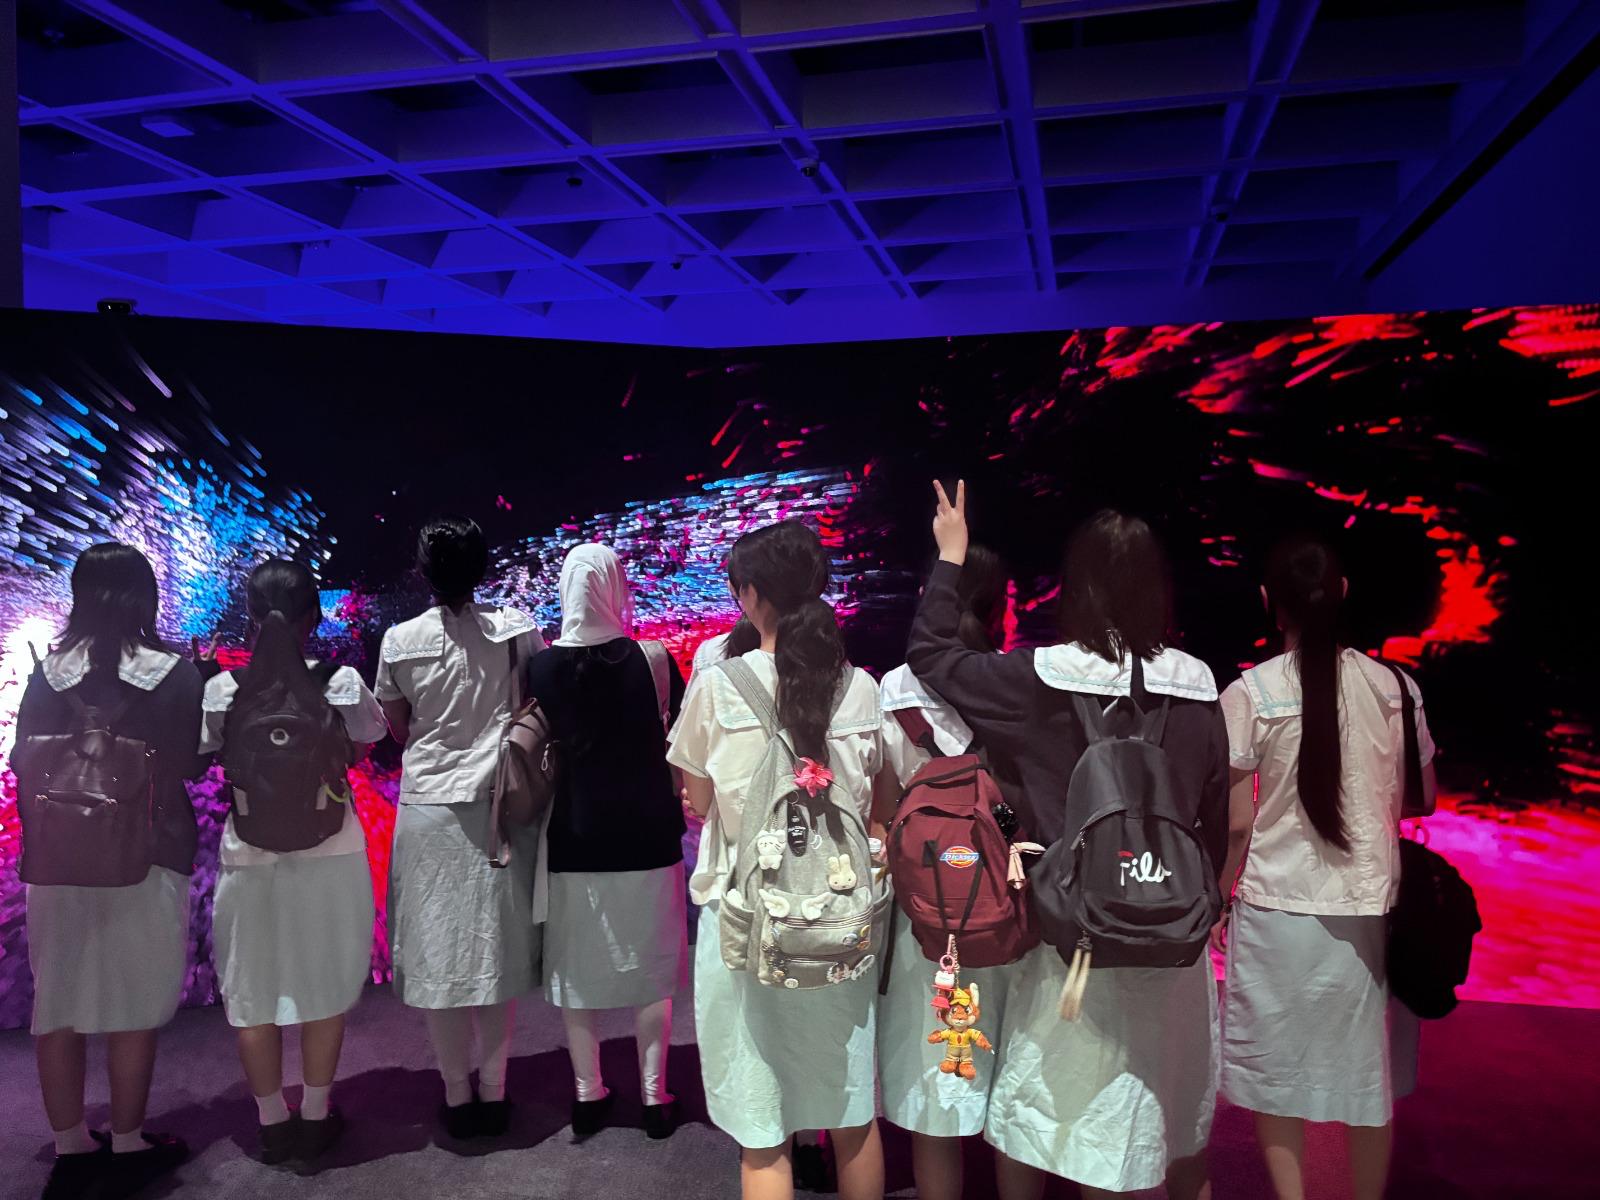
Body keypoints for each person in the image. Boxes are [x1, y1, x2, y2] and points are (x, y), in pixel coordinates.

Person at [906, 485, 1228, 1200]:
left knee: (1046, 1122)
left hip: (1069, 942)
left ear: (1074, 585)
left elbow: (932, 654)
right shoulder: (1199, 686)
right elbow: (1214, 815)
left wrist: (951, 555)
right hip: (1173, 938)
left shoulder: (1037, 678)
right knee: (1153, 1124)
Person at [667, 519, 887, 1200]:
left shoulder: (717, 686)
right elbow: (872, 796)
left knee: (763, 1129)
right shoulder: (862, 687)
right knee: (851, 1112)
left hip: (749, 922)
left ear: (751, 594)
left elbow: (698, 801)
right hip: (841, 920)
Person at [1216, 534, 1438, 1200]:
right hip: (1366, 912)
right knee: (1365, 1083)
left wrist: (1221, 895)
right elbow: (1423, 796)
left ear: (1268, 602)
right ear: (1342, 593)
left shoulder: (1250, 691)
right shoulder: (1396, 687)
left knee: (1274, 1077)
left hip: (1275, 908)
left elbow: (1236, 823)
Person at [16, 543, 204, 1200]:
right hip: (148, 852)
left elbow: (21, 759)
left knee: (58, 1001)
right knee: (134, 1002)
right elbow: (190, 762)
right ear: (145, 598)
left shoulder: (48, 673)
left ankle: (71, 1148)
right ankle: (127, 1143)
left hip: (58, 856)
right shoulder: (175, 673)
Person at [198, 560, 387, 1167]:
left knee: (251, 989)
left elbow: (205, 751)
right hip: (331, 851)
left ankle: (272, 1123)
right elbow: (366, 744)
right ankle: (315, 1115)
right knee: (323, 982)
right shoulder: (340, 682)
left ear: (251, 616)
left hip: (248, 856)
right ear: (314, 617)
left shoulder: (224, 689)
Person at [374, 516, 544, 1140]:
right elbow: (534, 705)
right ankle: (495, 1091)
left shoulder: (399, 641)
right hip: (500, 806)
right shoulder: (520, 631)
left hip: (428, 811)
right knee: (495, 951)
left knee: (440, 956)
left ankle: (456, 1094)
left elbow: (397, 727)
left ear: (422, 571)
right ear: (483, 567)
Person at [526, 544, 688, 1139]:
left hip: (575, 835)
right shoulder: (653, 658)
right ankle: (654, 1096)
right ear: (616, 587)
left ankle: (587, 1094)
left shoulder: (540, 667)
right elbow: (675, 734)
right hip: (649, 834)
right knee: (652, 968)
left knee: (577, 969)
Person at [873, 545, 1017, 1200]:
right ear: (1000, 606)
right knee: (1011, 1075)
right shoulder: (1016, 678)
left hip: (925, 914)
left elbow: (883, 808)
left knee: (936, 1082)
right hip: (1008, 907)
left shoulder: (892, 689)